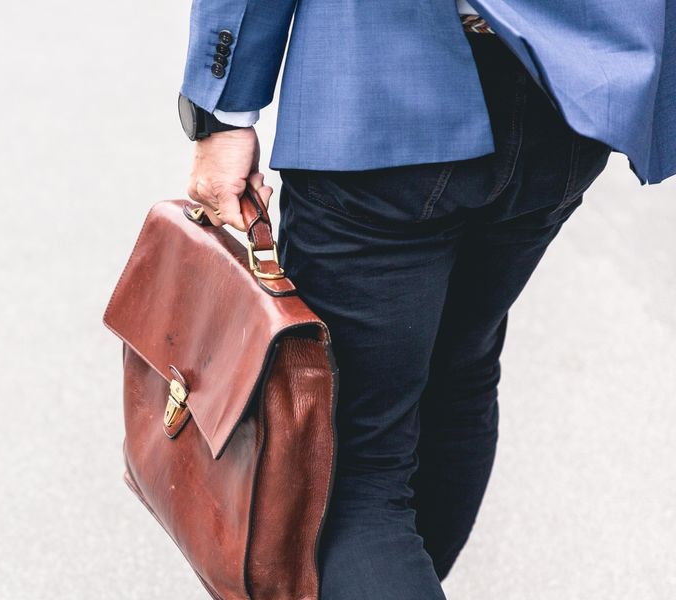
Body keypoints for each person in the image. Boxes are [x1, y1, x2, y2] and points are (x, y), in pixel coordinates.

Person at [176, 0, 675, 598]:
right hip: (569, 96)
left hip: (385, 94)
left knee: (346, 465)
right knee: (456, 373)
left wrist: (224, 113)